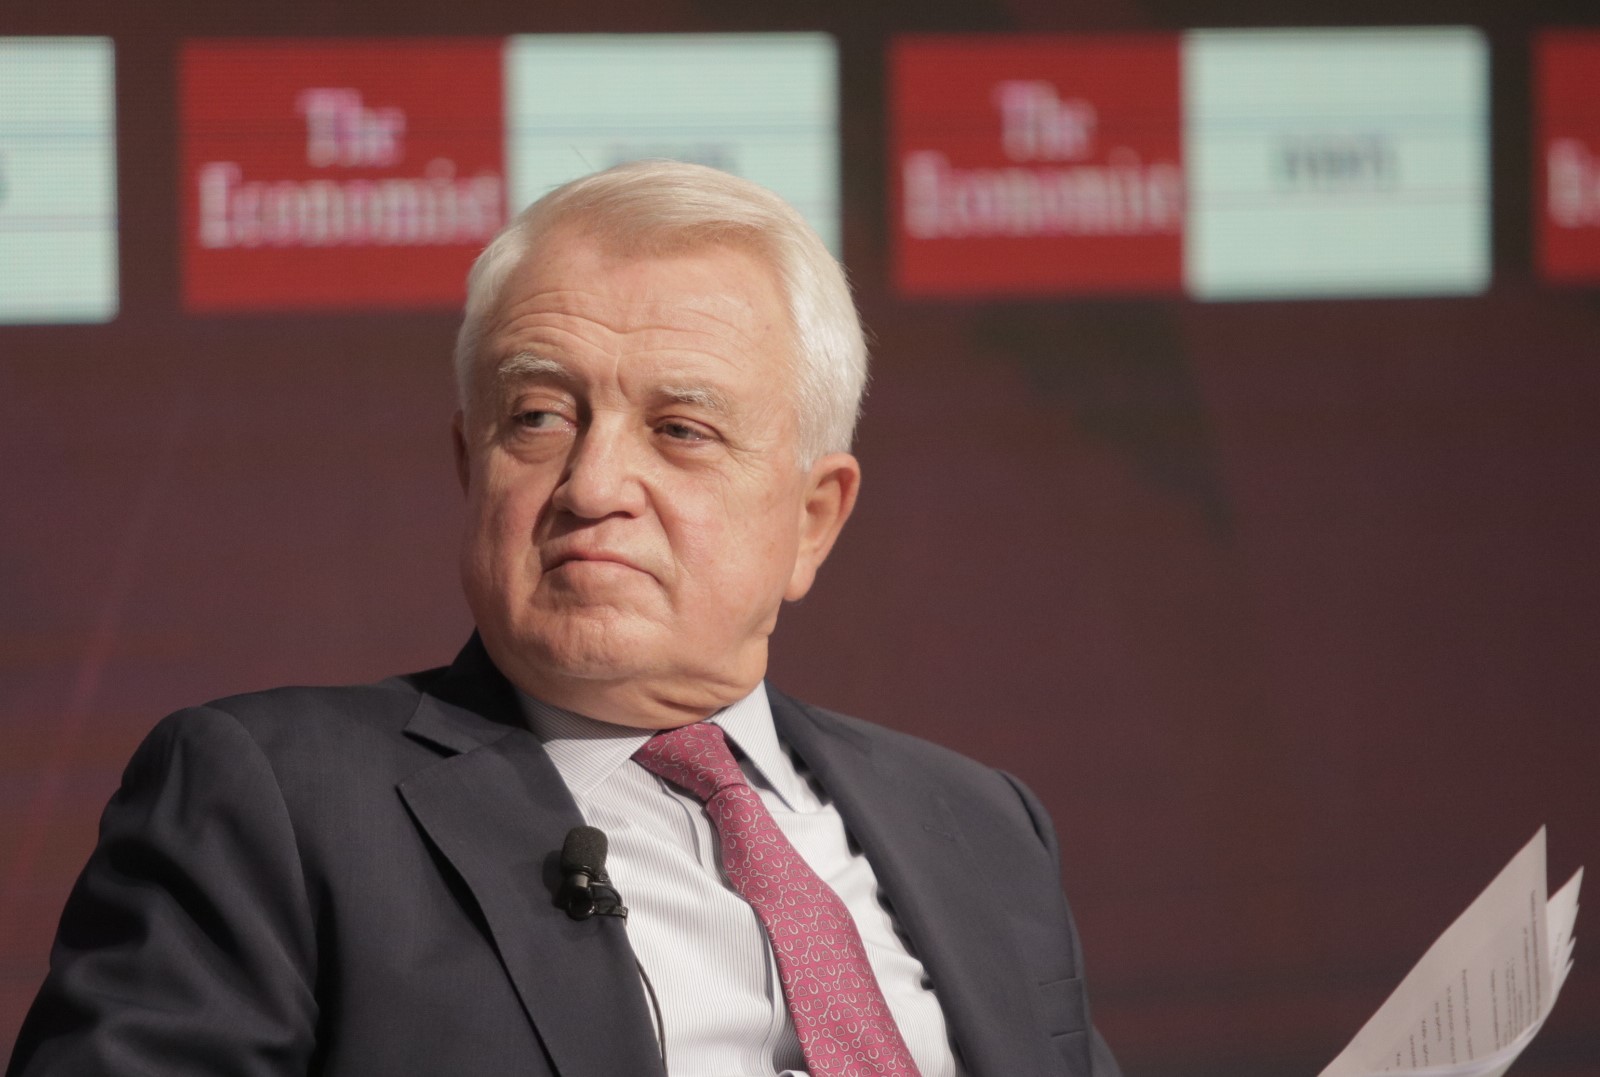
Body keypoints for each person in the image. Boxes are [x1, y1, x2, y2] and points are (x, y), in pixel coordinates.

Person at [7, 161, 1120, 1077]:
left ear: (812, 520)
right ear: (471, 465)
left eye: (680, 430)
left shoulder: (981, 826)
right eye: (538, 417)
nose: (592, 485)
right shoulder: (278, 801)